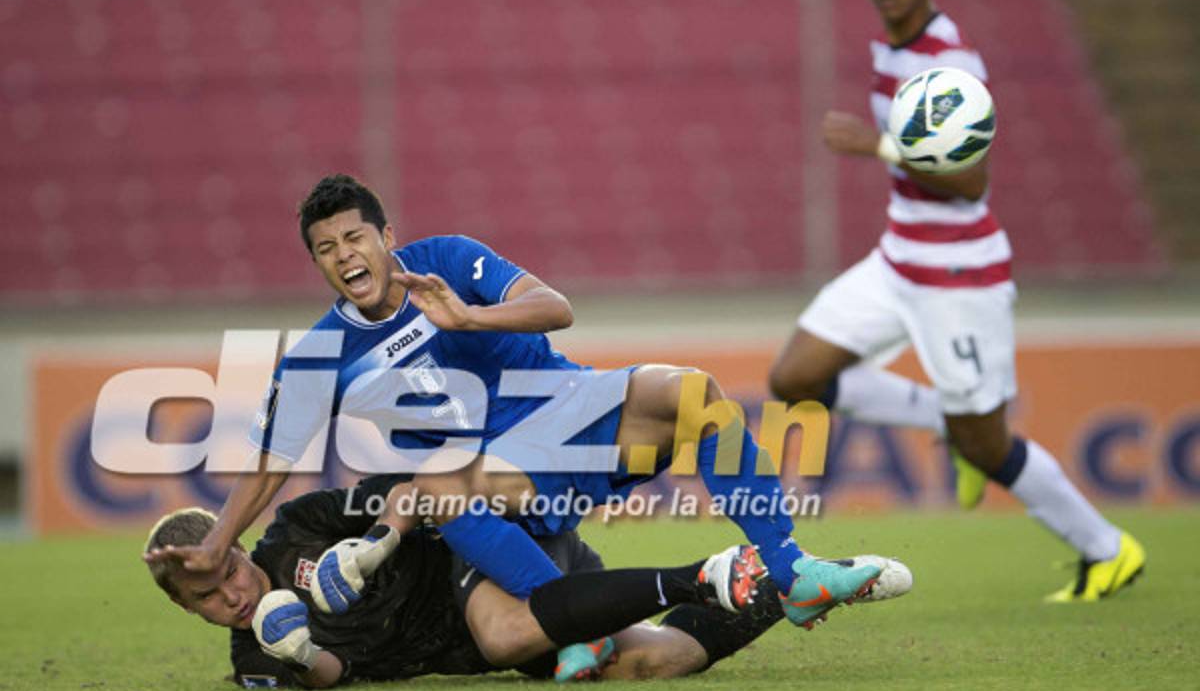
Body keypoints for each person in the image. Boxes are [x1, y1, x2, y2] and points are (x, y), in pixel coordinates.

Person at [147, 173, 889, 635]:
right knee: (438, 489)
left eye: (354, 238)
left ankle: (791, 572)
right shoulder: (319, 355)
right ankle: (577, 630)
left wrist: (469, 318)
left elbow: (555, 307)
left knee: (695, 393)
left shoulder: (444, 260)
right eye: (326, 249)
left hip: (573, 410)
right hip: (502, 477)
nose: (344, 256)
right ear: (316, 263)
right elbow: (271, 462)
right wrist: (217, 544)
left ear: (387, 238)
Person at [766, 0, 1144, 602]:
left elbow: (970, 181)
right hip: (899, 257)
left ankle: (1109, 549)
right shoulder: (896, 49)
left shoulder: (948, 64)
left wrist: (877, 145)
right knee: (796, 377)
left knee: (988, 446)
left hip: (958, 274)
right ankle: (944, 419)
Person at [146, 476, 910, 689]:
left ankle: (706, 575)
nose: (231, 596)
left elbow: (417, 489)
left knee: (505, 631)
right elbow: (331, 675)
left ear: (234, 544)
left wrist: (375, 547)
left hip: (485, 556)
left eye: (227, 572)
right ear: (185, 608)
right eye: (206, 598)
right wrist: (301, 652)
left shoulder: (298, 528)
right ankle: (788, 587)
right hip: (515, 628)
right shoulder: (252, 658)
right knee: (657, 661)